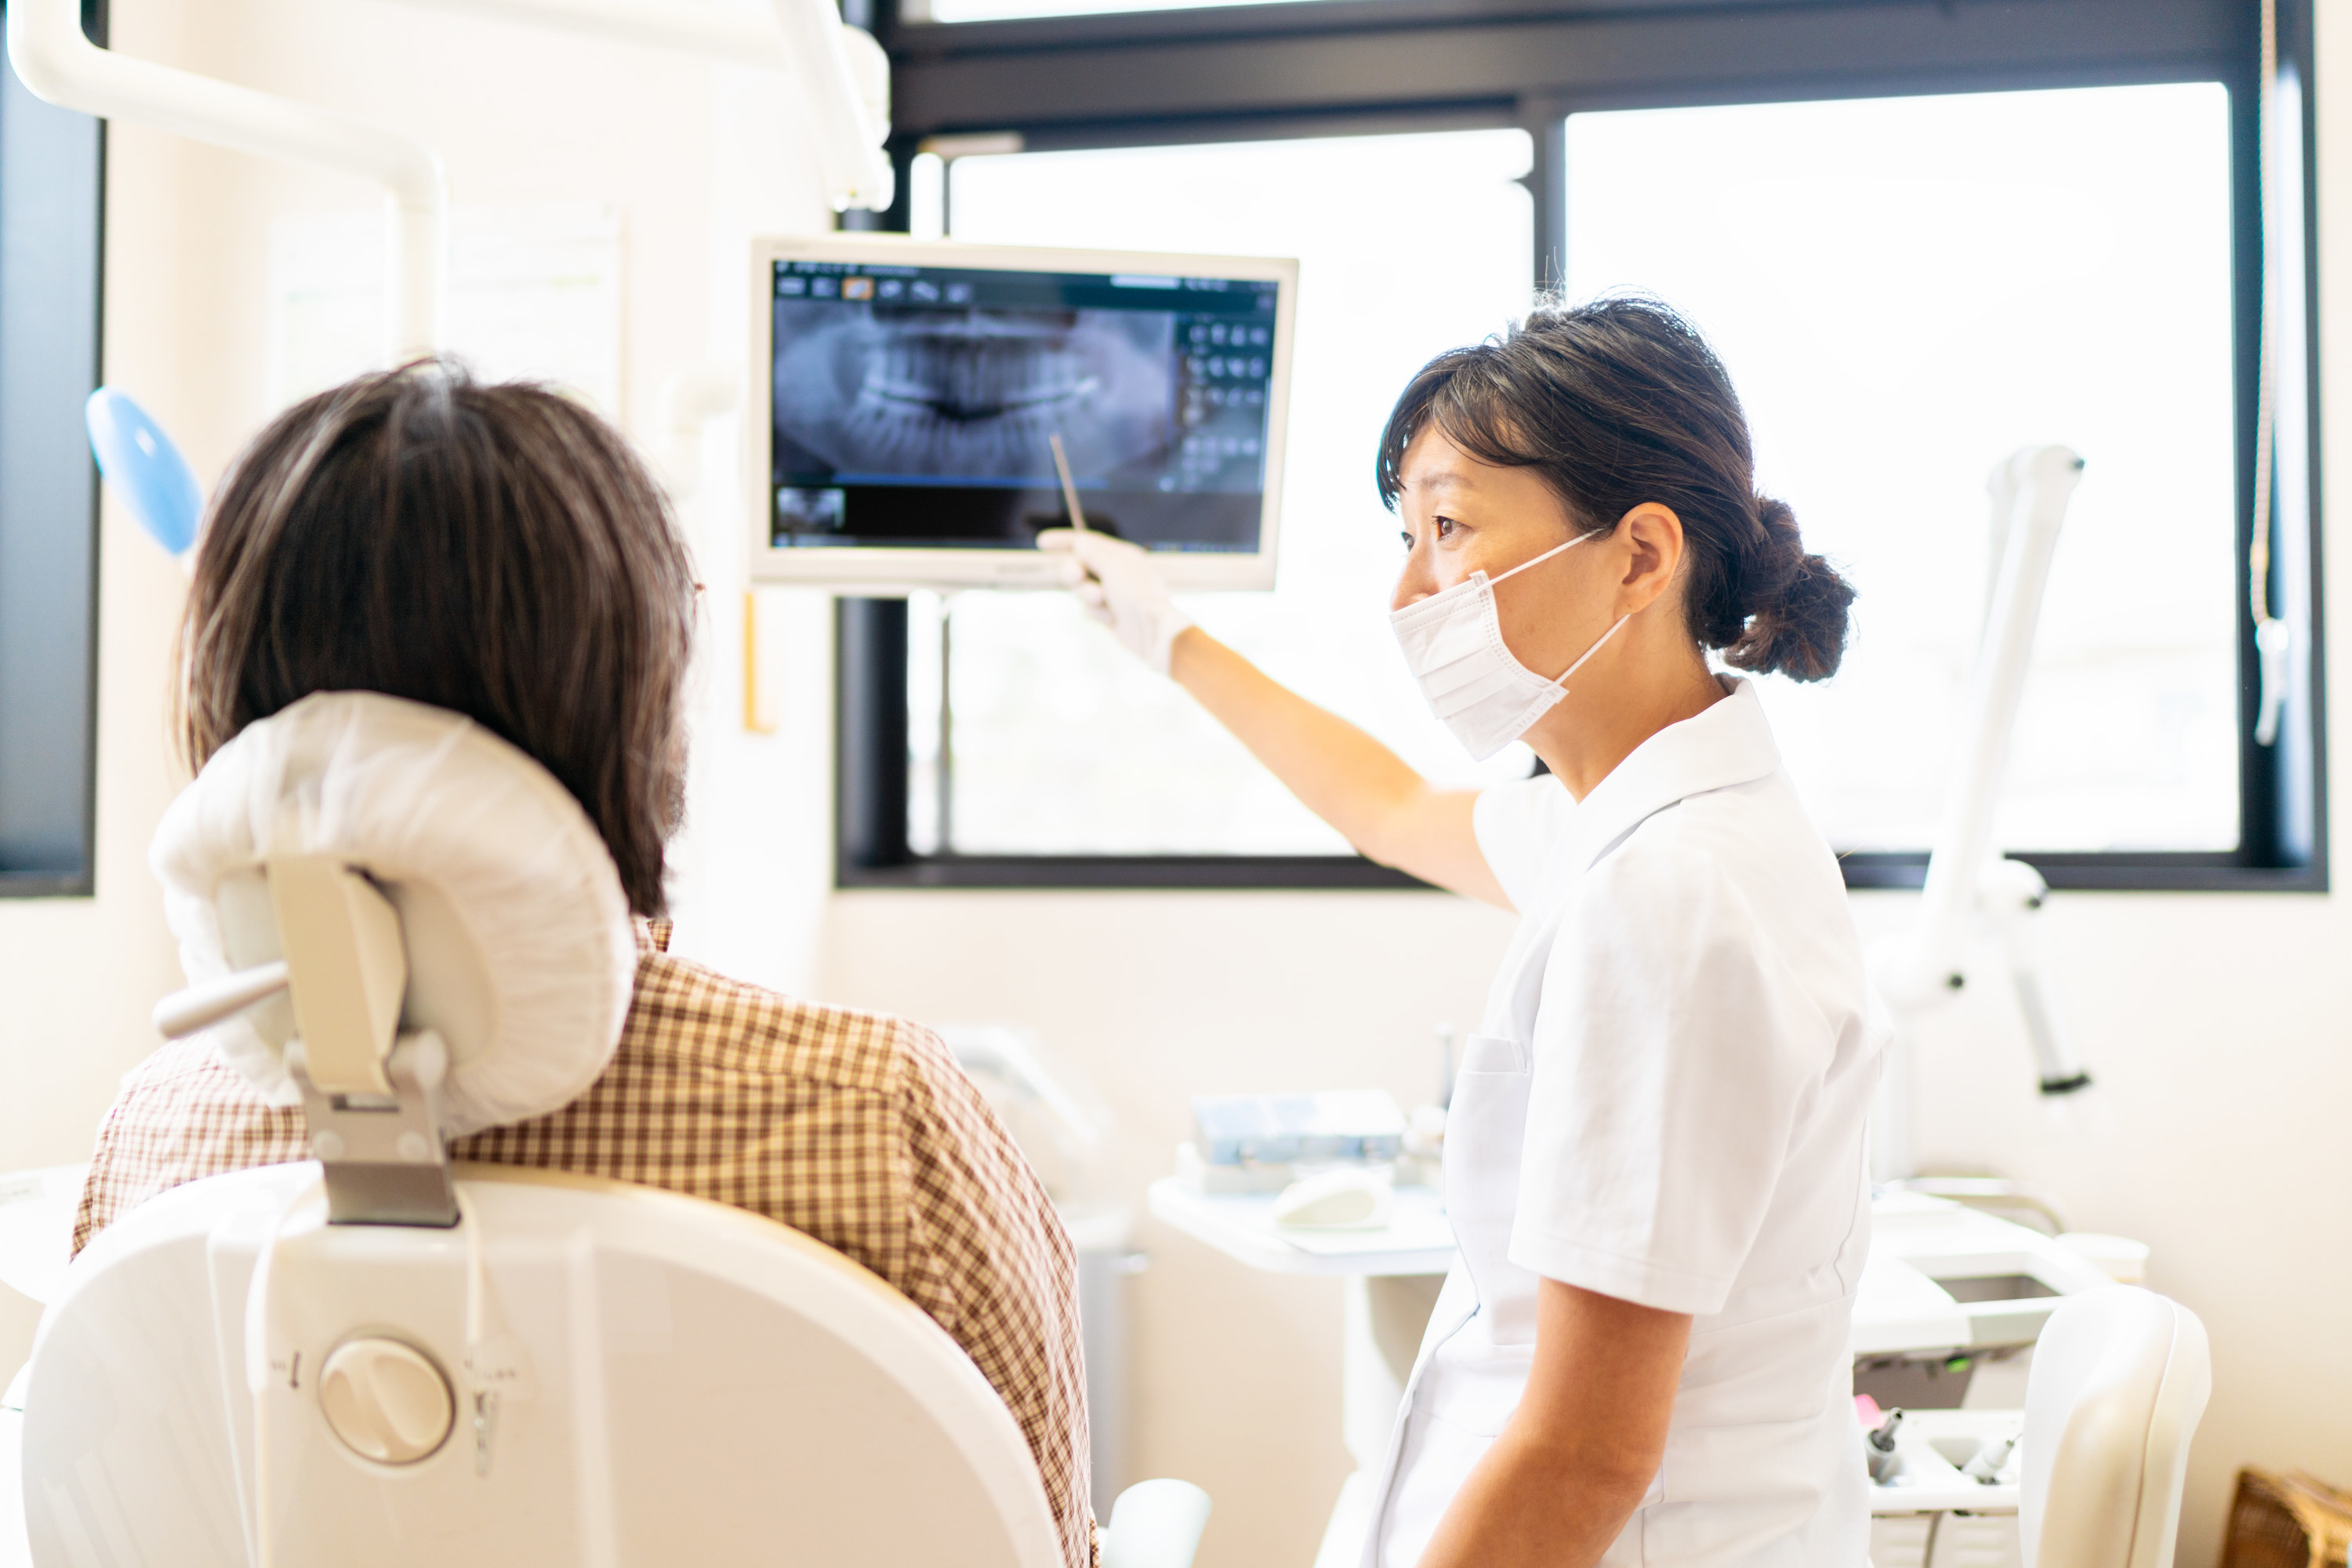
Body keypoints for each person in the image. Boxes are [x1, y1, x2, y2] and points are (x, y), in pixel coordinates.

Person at [75, 361, 1098, 1568]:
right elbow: (1041, 1540)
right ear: (644, 706)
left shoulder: (155, 1139)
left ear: (233, 718)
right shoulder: (876, 1115)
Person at [1042, 296, 1882, 1568]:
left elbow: (1587, 1457)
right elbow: (1385, 808)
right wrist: (1167, 635)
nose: (1407, 589)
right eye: (1404, 535)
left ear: (1642, 556)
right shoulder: (1643, 821)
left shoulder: (1671, 895)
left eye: (1447, 528)